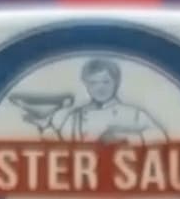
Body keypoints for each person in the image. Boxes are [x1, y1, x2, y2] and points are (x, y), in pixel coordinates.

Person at [27, 58, 165, 142]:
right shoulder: (75, 117)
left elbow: (161, 142)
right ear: (86, 84)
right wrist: (46, 128)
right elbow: (62, 151)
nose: (100, 88)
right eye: (93, 83)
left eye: (105, 82)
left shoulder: (135, 115)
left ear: (116, 82)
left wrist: (125, 138)